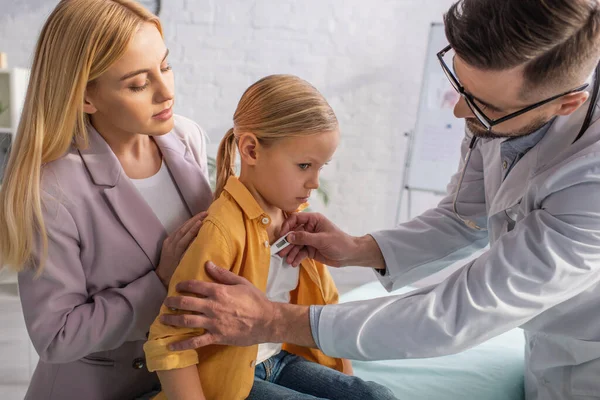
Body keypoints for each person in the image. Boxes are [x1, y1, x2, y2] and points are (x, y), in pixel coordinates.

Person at [157, 1, 600, 399]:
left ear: (568, 104)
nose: (460, 113)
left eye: (484, 106)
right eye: (459, 86)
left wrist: (274, 320)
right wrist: (358, 249)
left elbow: (454, 313)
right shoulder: (223, 227)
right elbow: (464, 218)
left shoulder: (590, 182)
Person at [0, 1, 212, 399]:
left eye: (165, 67)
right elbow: (56, 337)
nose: (166, 92)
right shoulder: (51, 191)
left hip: (192, 379)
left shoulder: (186, 138)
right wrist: (161, 282)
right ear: (84, 98)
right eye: (138, 84)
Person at [144, 74, 397, 400]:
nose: (314, 183)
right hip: (230, 377)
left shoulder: (299, 224)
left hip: (276, 359)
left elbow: (324, 305)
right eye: (304, 165)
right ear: (250, 149)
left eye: (321, 167)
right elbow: (168, 337)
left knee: (379, 396)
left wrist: (345, 385)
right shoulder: (222, 231)